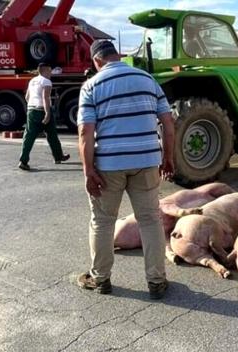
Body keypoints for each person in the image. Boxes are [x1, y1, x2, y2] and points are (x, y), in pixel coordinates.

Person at [76, 40, 175, 300]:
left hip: (108, 166)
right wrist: (168, 157)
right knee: (150, 220)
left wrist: (88, 171)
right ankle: (157, 281)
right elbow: (167, 122)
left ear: (96, 61)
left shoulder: (92, 85)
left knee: (102, 221)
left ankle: (100, 279)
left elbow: (86, 132)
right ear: (117, 55)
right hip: (146, 162)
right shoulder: (147, 80)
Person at [18, 63, 70, 170]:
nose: (51, 73)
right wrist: (47, 113)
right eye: (50, 71)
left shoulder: (32, 81)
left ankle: (23, 161)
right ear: (45, 70)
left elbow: (27, 96)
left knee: (29, 136)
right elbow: (45, 97)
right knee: (52, 134)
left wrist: (32, 106)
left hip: (32, 110)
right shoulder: (46, 81)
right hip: (42, 110)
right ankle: (58, 156)